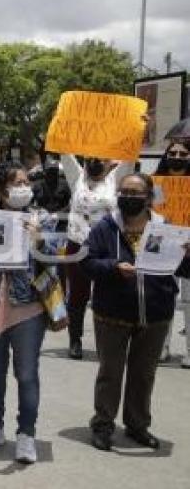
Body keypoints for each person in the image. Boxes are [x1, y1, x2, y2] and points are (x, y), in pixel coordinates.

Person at [83, 173, 190, 451]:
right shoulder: (104, 228)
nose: (129, 198)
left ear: (149, 198)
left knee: (144, 374)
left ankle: (137, 425)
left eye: (136, 193)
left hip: (155, 313)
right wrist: (114, 267)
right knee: (111, 372)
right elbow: (88, 263)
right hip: (112, 314)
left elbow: (182, 270)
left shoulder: (166, 228)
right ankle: (103, 425)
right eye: (124, 192)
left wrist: (186, 255)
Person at [0, 161, 62, 465]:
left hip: (28, 307)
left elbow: (59, 252)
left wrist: (40, 240)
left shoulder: (42, 218)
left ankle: (26, 434)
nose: (23, 187)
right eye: (15, 183)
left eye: (25, 182)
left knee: (26, 373)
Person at [61, 154, 133, 360]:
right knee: (77, 294)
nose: (95, 162)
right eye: (91, 158)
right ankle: (75, 340)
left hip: (107, 245)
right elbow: (64, 152)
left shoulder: (115, 180)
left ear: (112, 162)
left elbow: (129, 153)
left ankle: (109, 343)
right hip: (77, 244)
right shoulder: (77, 177)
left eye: (101, 159)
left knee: (109, 293)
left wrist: (140, 127)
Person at [152, 140, 190, 367]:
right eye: (172, 152)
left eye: (182, 153)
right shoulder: (156, 184)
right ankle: (162, 346)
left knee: (189, 301)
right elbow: (154, 215)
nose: (177, 156)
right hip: (165, 248)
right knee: (164, 297)